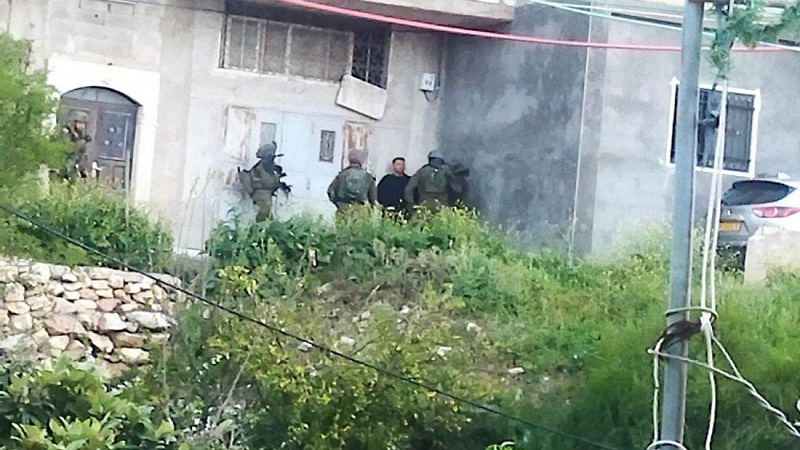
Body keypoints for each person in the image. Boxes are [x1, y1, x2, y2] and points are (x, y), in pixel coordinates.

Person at [238, 142, 291, 221]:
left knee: (267, 217)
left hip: (264, 195)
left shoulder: (263, 166)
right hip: (262, 196)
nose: (273, 159)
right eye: (271, 157)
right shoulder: (263, 167)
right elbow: (268, 183)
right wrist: (277, 178)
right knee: (263, 218)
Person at [62, 111, 92, 180]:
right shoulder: (65, 132)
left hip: (72, 166)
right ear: (74, 123)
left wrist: (82, 169)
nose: (83, 126)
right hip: (63, 165)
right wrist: (82, 141)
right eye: (80, 123)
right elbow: (68, 148)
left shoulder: (79, 134)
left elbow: (81, 154)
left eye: (84, 124)